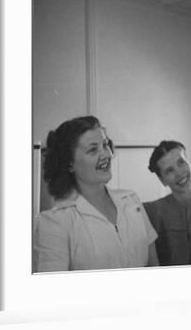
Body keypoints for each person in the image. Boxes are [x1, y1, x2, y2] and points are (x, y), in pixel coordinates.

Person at [33, 116, 158, 272]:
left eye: (105, 145)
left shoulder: (131, 200)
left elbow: (154, 267)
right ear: (69, 163)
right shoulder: (53, 223)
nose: (106, 154)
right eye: (93, 150)